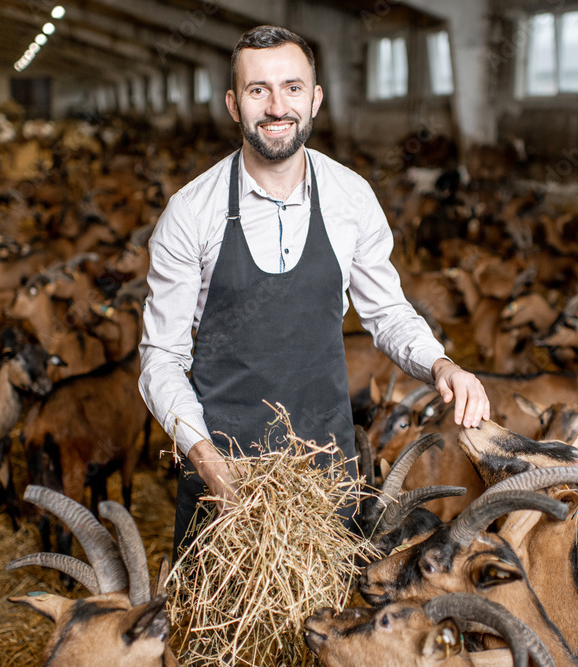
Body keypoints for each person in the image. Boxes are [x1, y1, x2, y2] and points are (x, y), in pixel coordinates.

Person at [138, 25, 489, 558]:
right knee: (218, 634)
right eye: (258, 90)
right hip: (224, 470)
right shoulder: (192, 212)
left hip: (325, 472)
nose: (277, 106)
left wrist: (442, 366)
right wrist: (205, 458)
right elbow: (161, 357)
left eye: (292, 88)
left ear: (316, 98)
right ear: (234, 104)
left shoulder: (351, 197)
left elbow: (389, 313)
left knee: (327, 633)